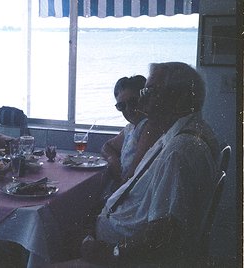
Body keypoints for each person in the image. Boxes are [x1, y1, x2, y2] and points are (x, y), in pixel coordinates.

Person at [81, 62, 220, 266]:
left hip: (121, 256)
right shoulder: (180, 133)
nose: (142, 100)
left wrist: (109, 252)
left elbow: (162, 235)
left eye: (150, 91)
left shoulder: (179, 151)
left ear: (180, 98)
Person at [101, 75, 147, 188]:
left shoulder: (148, 127)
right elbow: (107, 146)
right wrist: (112, 160)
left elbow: (134, 174)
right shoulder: (130, 128)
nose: (128, 109)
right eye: (121, 106)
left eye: (133, 102)